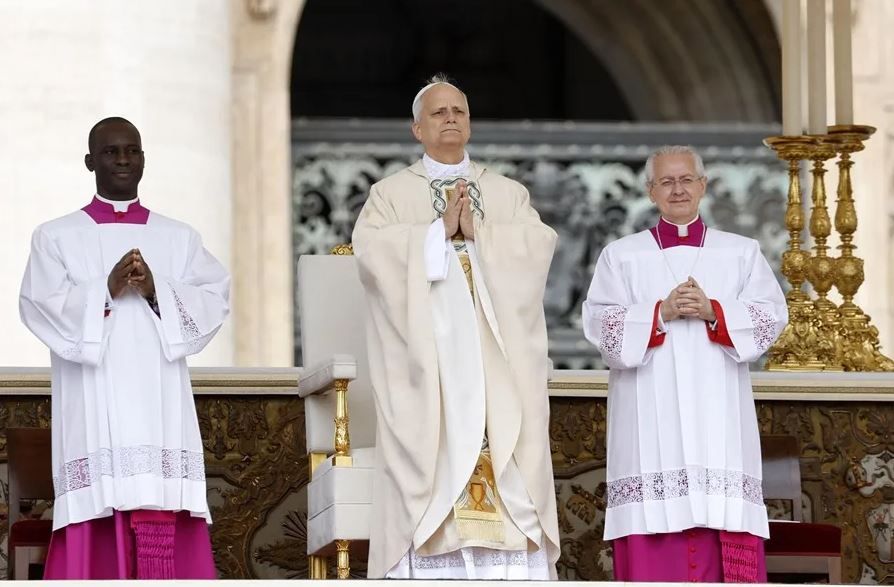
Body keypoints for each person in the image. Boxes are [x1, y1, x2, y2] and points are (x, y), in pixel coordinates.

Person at [351, 75, 560, 579]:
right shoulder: (391, 194)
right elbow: (371, 253)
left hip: (496, 359)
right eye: (439, 112)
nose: (450, 118)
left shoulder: (506, 193)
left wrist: (480, 236)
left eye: (458, 111)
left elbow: (539, 248)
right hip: (430, 364)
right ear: (416, 129)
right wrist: (433, 236)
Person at [19, 117, 229, 579]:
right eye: (111, 152)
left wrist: (159, 291)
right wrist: (105, 289)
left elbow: (214, 299)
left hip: (159, 402)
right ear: (90, 161)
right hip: (92, 398)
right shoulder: (55, 236)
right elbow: (40, 305)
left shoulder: (179, 237)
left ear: (143, 160)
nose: (122, 160)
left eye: (131, 150)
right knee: (99, 493)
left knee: (160, 489)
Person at [582, 145, 788, 583]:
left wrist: (715, 310)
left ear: (703, 186)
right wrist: (659, 313)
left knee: (719, 514)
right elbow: (601, 326)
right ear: (650, 191)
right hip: (649, 418)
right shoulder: (622, 255)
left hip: (720, 420)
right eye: (667, 182)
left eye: (686, 180)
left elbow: (771, 316)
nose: (678, 190)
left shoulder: (741, 252)